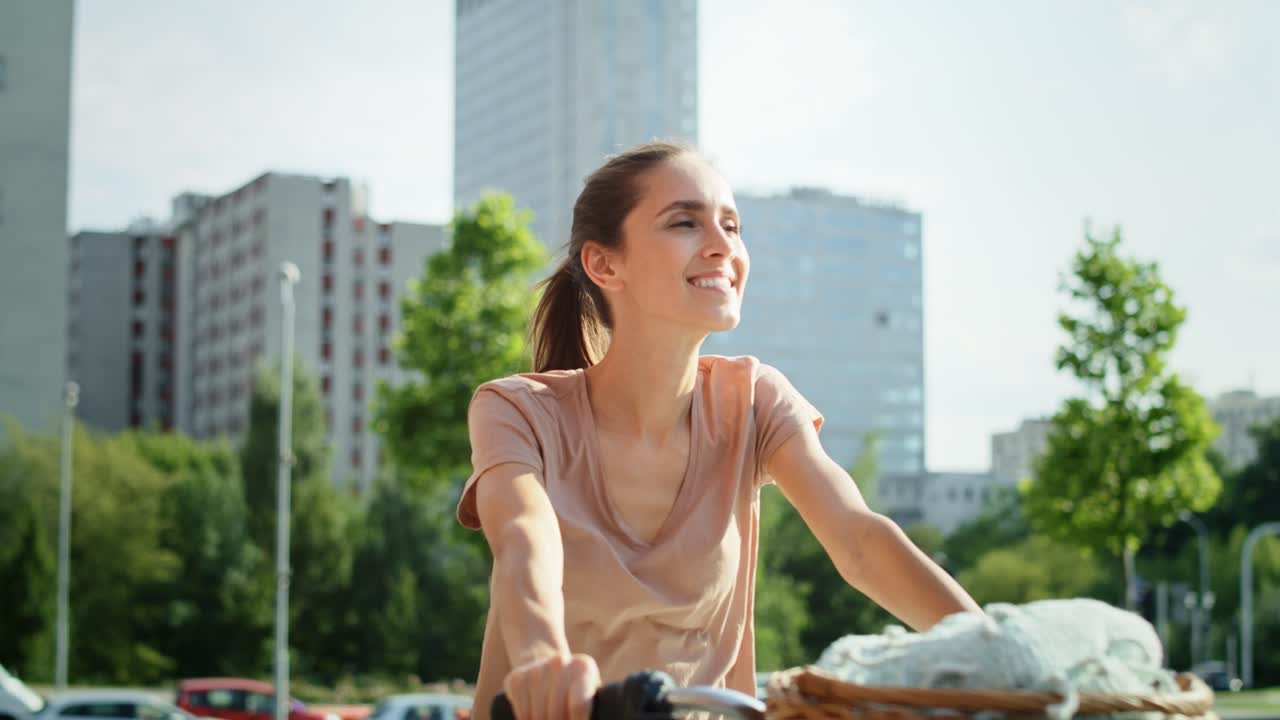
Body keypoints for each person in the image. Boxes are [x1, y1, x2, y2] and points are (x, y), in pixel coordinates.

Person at [457, 141, 981, 720]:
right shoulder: (518, 410)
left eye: (732, 226)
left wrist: (995, 652)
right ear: (605, 264)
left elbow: (859, 540)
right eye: (685, 222)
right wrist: (542, 660)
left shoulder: (754, 400)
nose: (722, 246)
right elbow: (525, 540)